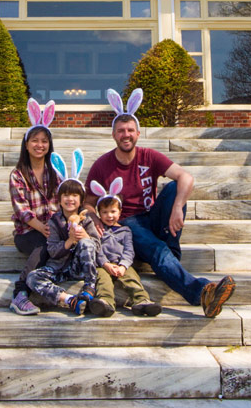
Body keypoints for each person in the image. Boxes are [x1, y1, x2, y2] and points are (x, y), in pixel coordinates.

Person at [84, 88, 235, 318]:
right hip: (127, 224)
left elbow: (186, 177)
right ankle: (203, 292)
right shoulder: (102, 165)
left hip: (153, 218)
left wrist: (177, 208)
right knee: (157, 250)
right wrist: (94, 217)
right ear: (114, 135)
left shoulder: (149, 156)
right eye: (121, 131)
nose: (126, 135)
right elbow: (87, 203)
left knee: (175, 187)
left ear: (138, 134)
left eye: (130, 130)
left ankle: (171, 256)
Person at [7, 100, 60, 315]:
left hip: (53, 230)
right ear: (26, 144)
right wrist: (43, 228)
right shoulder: (18, 175)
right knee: (44, 245)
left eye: (44, 141)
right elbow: (22, 211)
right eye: (35, 141)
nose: (40, 145)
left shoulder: (54, 172)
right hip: (28, 232)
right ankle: (20, 294)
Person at [25, 172, 100, 315]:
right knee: (33, 277)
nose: (70, 199)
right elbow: (52, 250)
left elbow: (97, 247)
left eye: (74, 195)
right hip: (59, 268)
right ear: (59, 200)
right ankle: (70, 300)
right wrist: (70, 241)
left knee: (86, 242)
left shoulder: (87, 220)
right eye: (65, 195)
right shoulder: (54, 222)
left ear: (81, 199)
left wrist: (85, 237)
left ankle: (89, 286)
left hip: (80, 267)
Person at [86, 179, 162, 318]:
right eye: (105, 212)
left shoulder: (125, 230)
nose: (109, 215)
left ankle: (141, 300)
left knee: (132, 278)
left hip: (121, 264)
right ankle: (106, 302)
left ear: (120, 211)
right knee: (103, 279)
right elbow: (97, 249)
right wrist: (105, 264)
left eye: (113, 211)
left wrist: (123, 266)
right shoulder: (97, 230)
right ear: (99, 214)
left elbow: (129, 251)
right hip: (103, 265)